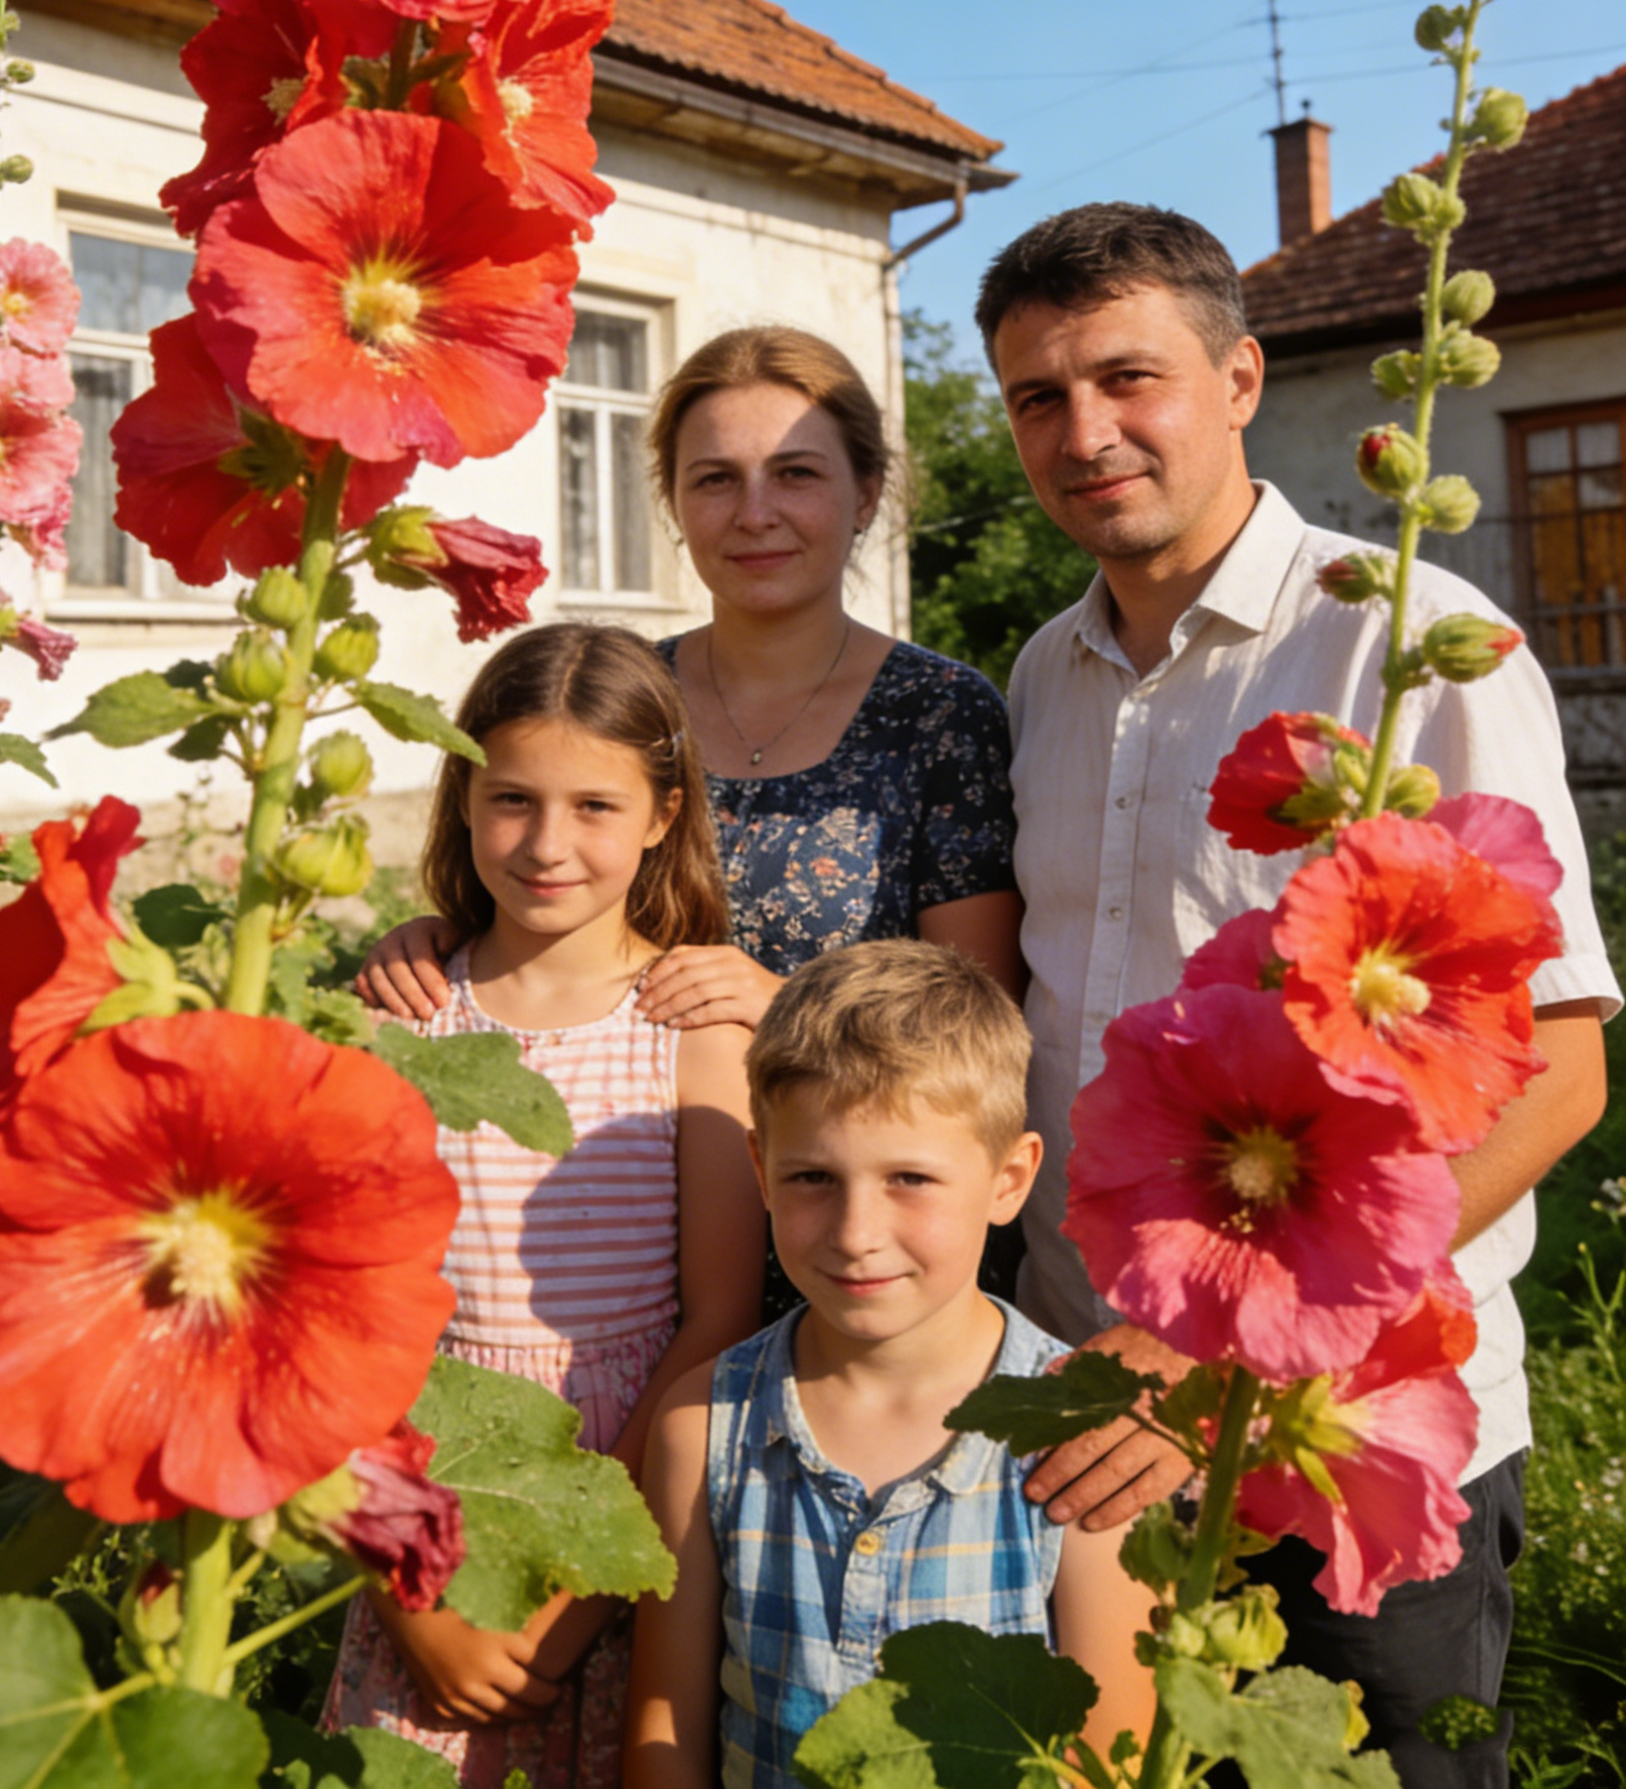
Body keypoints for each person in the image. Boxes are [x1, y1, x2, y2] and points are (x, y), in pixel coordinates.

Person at [973, 201, 1618, 1786]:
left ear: (1241, 377)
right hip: (1093, 1414)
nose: (1086, 433)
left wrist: (1220, 1358)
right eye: (1038, 398)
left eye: (1131, 378)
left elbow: (1554, 1069)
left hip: (1348, 1426)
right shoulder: (1038, 678)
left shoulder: (1405, 645)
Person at [325, 623, 765, 1789]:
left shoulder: (694, 1030)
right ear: (463, 800)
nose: (548, 845)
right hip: (425, 1495)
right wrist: (412, 1589)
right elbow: (331, 1328)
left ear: (666, 813)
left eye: (595, 808)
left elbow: (716, 1323)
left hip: (630, 1507)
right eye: (512, 799)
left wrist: (571, 1604)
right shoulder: (401, 1020)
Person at [361, 325, 1023, 1024]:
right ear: (673, 501)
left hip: (835, 1126)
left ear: (864, 495)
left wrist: (783, 1003)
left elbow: (984, 1016)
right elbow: (528, 884)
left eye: (796, 474)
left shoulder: (941, 714)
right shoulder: (618, 693)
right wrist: (434, 949)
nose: (754, 514)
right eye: (715, 480)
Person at [622, 940, 1155, 1789]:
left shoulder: (1077, 1440)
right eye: (812, 1178)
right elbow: (667, 1720)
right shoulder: (703, 1425)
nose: (854, 1232)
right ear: (759, 1169)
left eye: (909, 1177)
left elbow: (1109, 1760)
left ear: (1009, 1178)